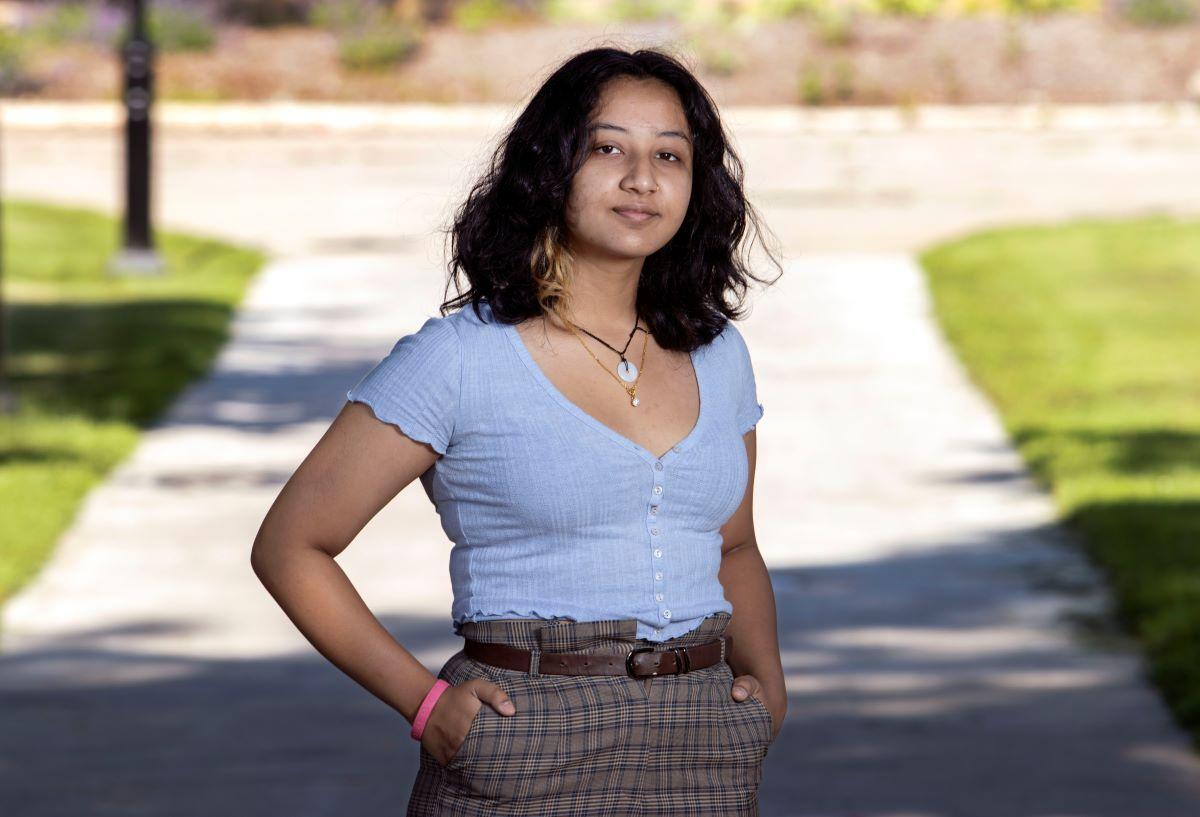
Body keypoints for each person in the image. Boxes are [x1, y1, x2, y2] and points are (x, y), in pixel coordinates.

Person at [251, 45, 786, 816]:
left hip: (704, 743)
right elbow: (292, 545)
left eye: (670, 154)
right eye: (608, 148)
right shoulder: (460, 357)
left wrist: (766, 684)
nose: (642, 178)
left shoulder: (719, 353)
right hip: (522, 739)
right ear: (550, 166)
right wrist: (425, 704)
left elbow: (733, 543)